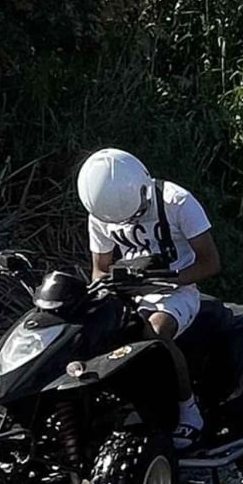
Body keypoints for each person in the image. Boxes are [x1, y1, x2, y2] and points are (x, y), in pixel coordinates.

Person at [79, 148, 221, 450]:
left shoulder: (176, 202)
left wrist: (166, 279)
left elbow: (209, 262)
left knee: (154, 334)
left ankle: (188, 409)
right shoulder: (101, 212)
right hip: (129, 292)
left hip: (177, 289)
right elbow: (99, 269)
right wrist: (112, 287)